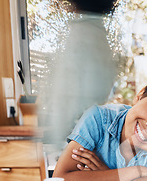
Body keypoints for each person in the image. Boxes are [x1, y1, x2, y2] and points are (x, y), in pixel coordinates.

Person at [38, 0, 120, 151]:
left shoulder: (82, 34)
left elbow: (66, 91)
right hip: (84, 132)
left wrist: (58, 135)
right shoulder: (99, 35)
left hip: (74, 136)